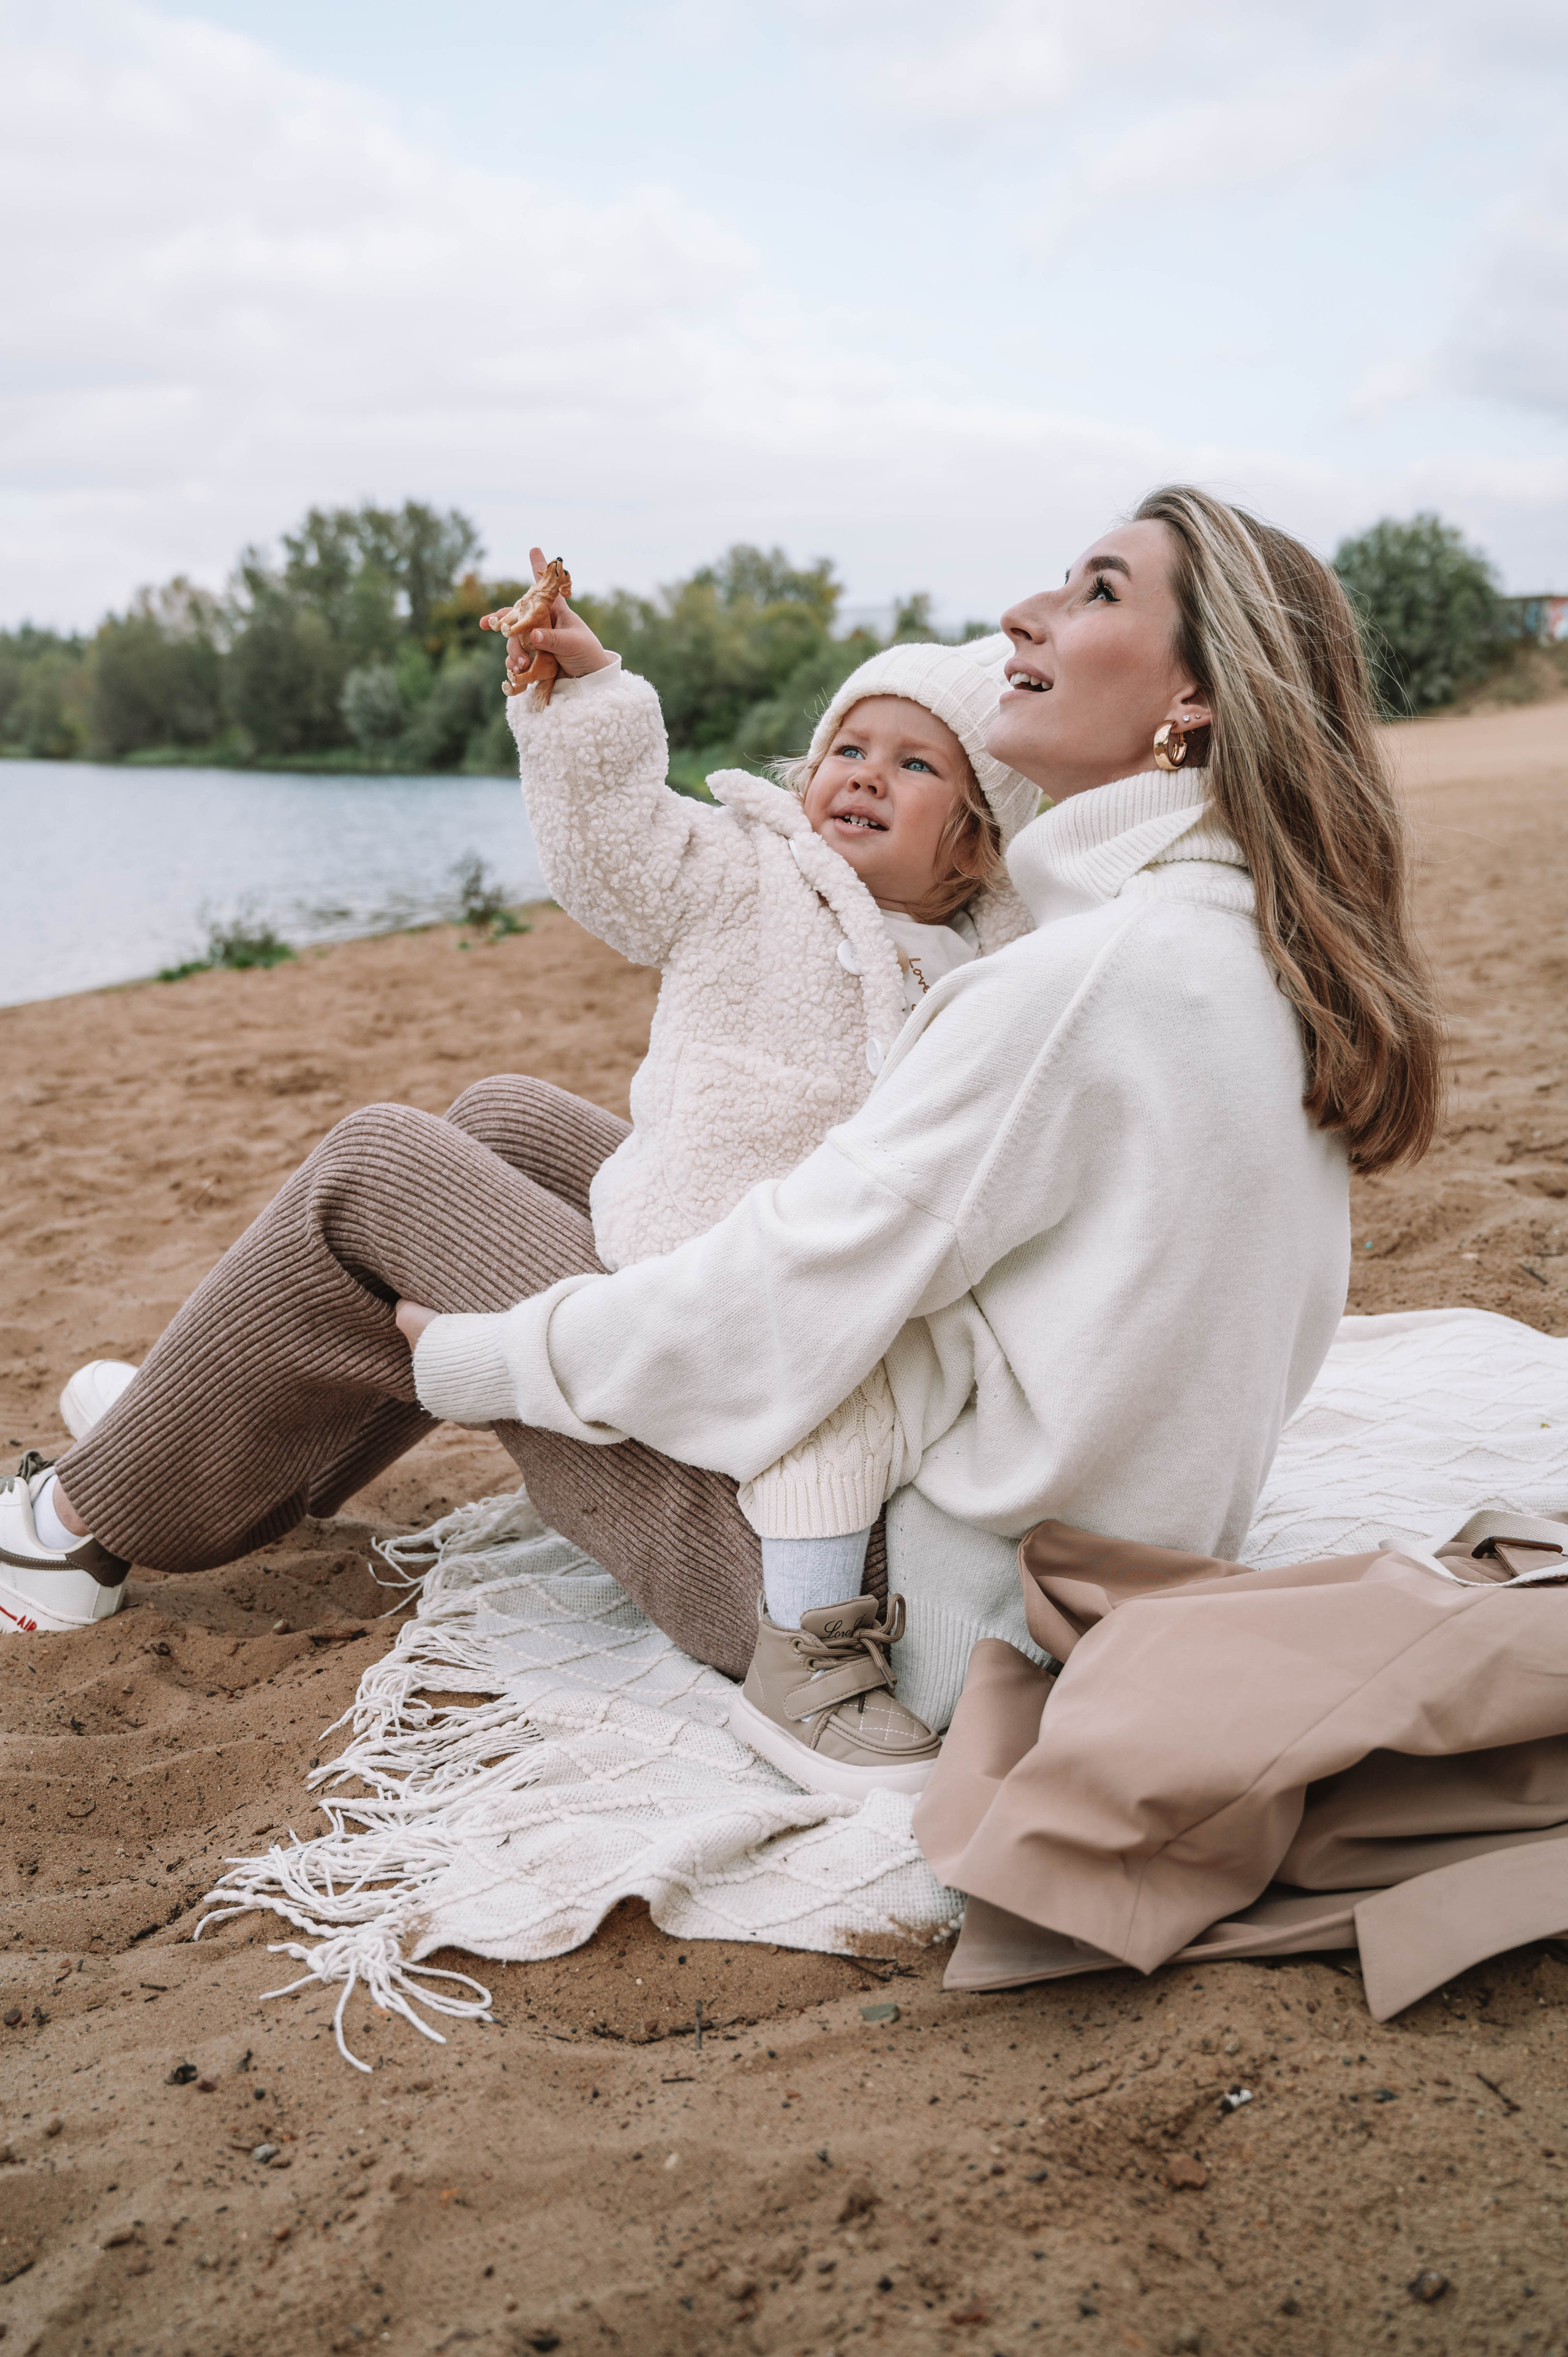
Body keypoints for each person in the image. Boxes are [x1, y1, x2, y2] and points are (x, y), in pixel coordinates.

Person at [2, 488, 1442, 1814]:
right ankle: (224, 1427)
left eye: (1093, 592)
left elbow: (793, 1288)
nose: (1025, 613)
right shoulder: (1227, 940)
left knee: (379, 1167)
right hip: (1068, 1546)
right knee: (507, 1120)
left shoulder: (1075, 986)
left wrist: (483, 1359)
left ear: (1190, 694)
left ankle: (72, 1530)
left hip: (872, 1586)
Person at [493, 560, 1036, 1733]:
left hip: (848, 1280)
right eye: (851, 748)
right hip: (700, 1237)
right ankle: (260, 1406)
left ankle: (809, 1650)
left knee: (832, 1408)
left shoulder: (998, 957)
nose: (867, 777)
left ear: (980, 842)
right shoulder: (749, 872)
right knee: (494, 1112)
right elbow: (619, 851)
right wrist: (592, 697)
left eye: (917, 763)